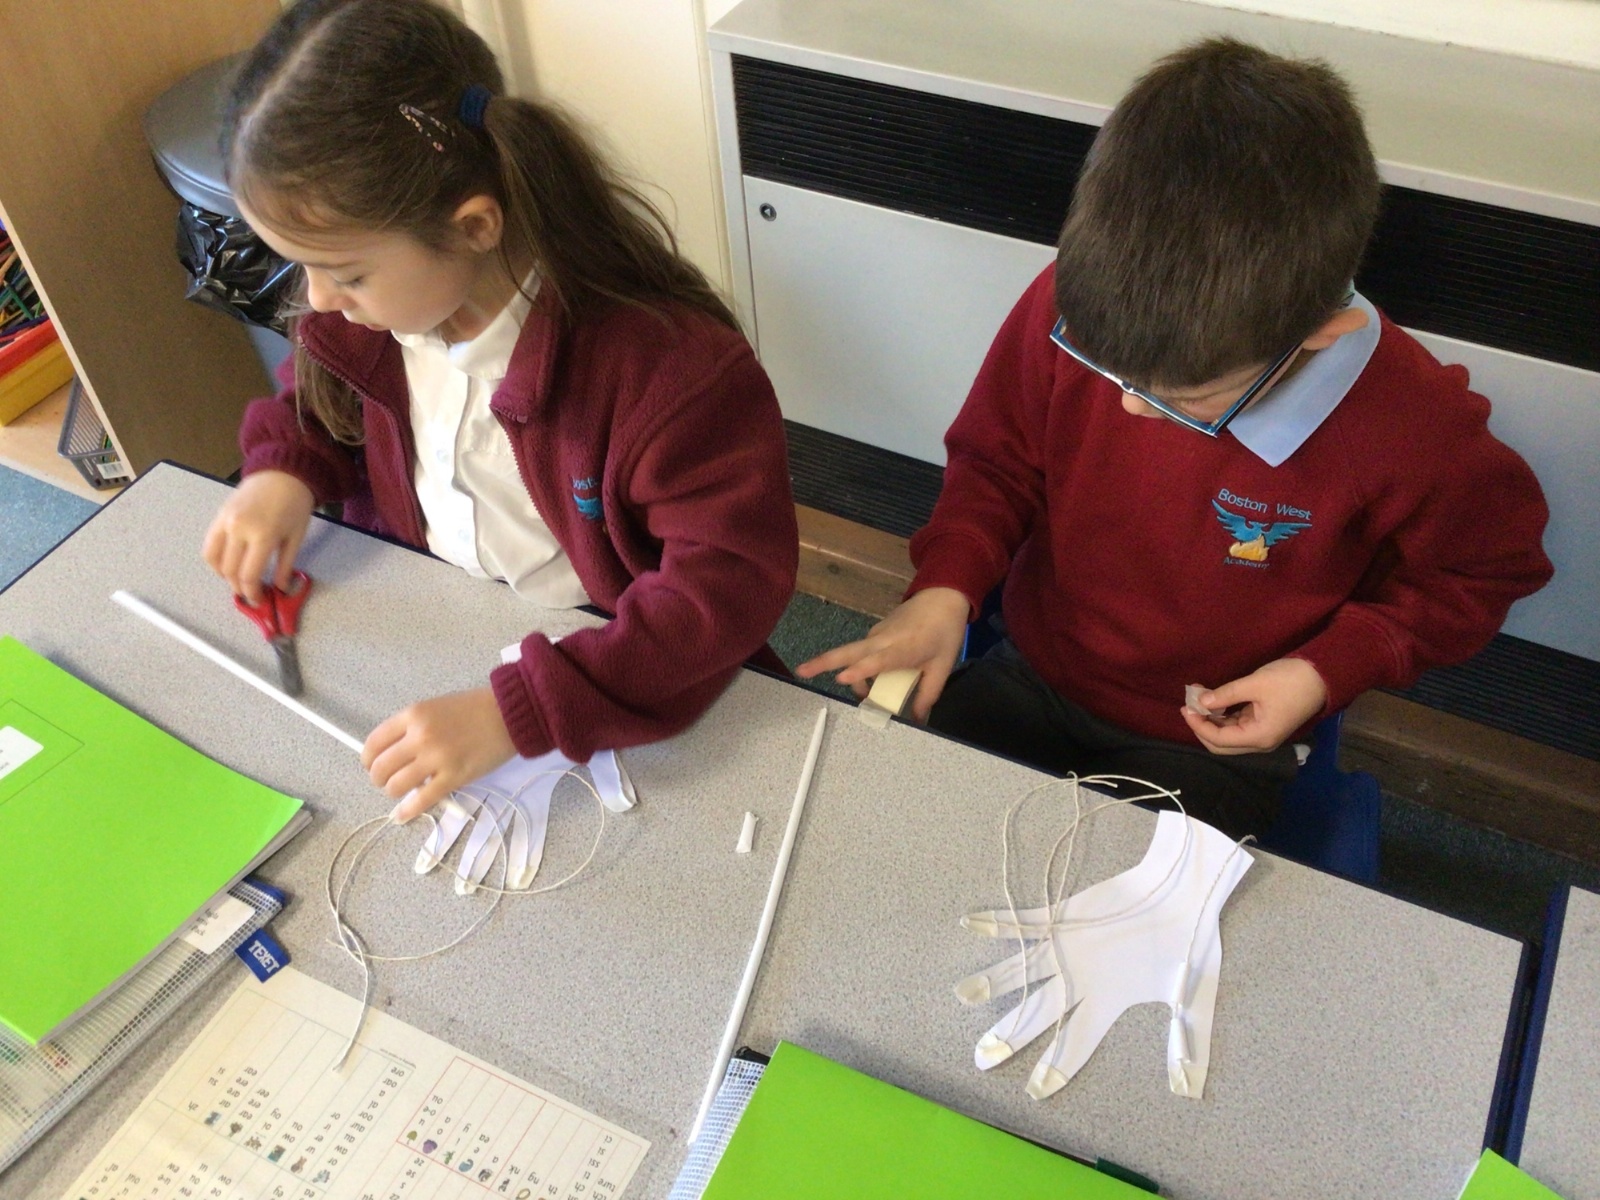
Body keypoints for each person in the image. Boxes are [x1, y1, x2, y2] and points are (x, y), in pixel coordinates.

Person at [798, 37, 1551, 836]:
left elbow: (1485, 571)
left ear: (1319, 336)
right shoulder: (1079, 304)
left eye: (1186, 402)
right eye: (1106, 371)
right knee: (900, 828)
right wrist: (945, 588)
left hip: (1211, 742)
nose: (1130, 410)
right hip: (1035, 672)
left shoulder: (1413, 426)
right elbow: (998, 462)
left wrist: (1324, 671)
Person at [203, 0, 797, 821]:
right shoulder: (372, 319)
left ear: (475, 226)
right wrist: (282, 475)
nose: (319, 300)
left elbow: (724, 588)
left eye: (346, 273)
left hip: (617, 673)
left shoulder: (671, 373)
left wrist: (521, 709)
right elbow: (318, 404)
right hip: (455, 629)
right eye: (302, 266)